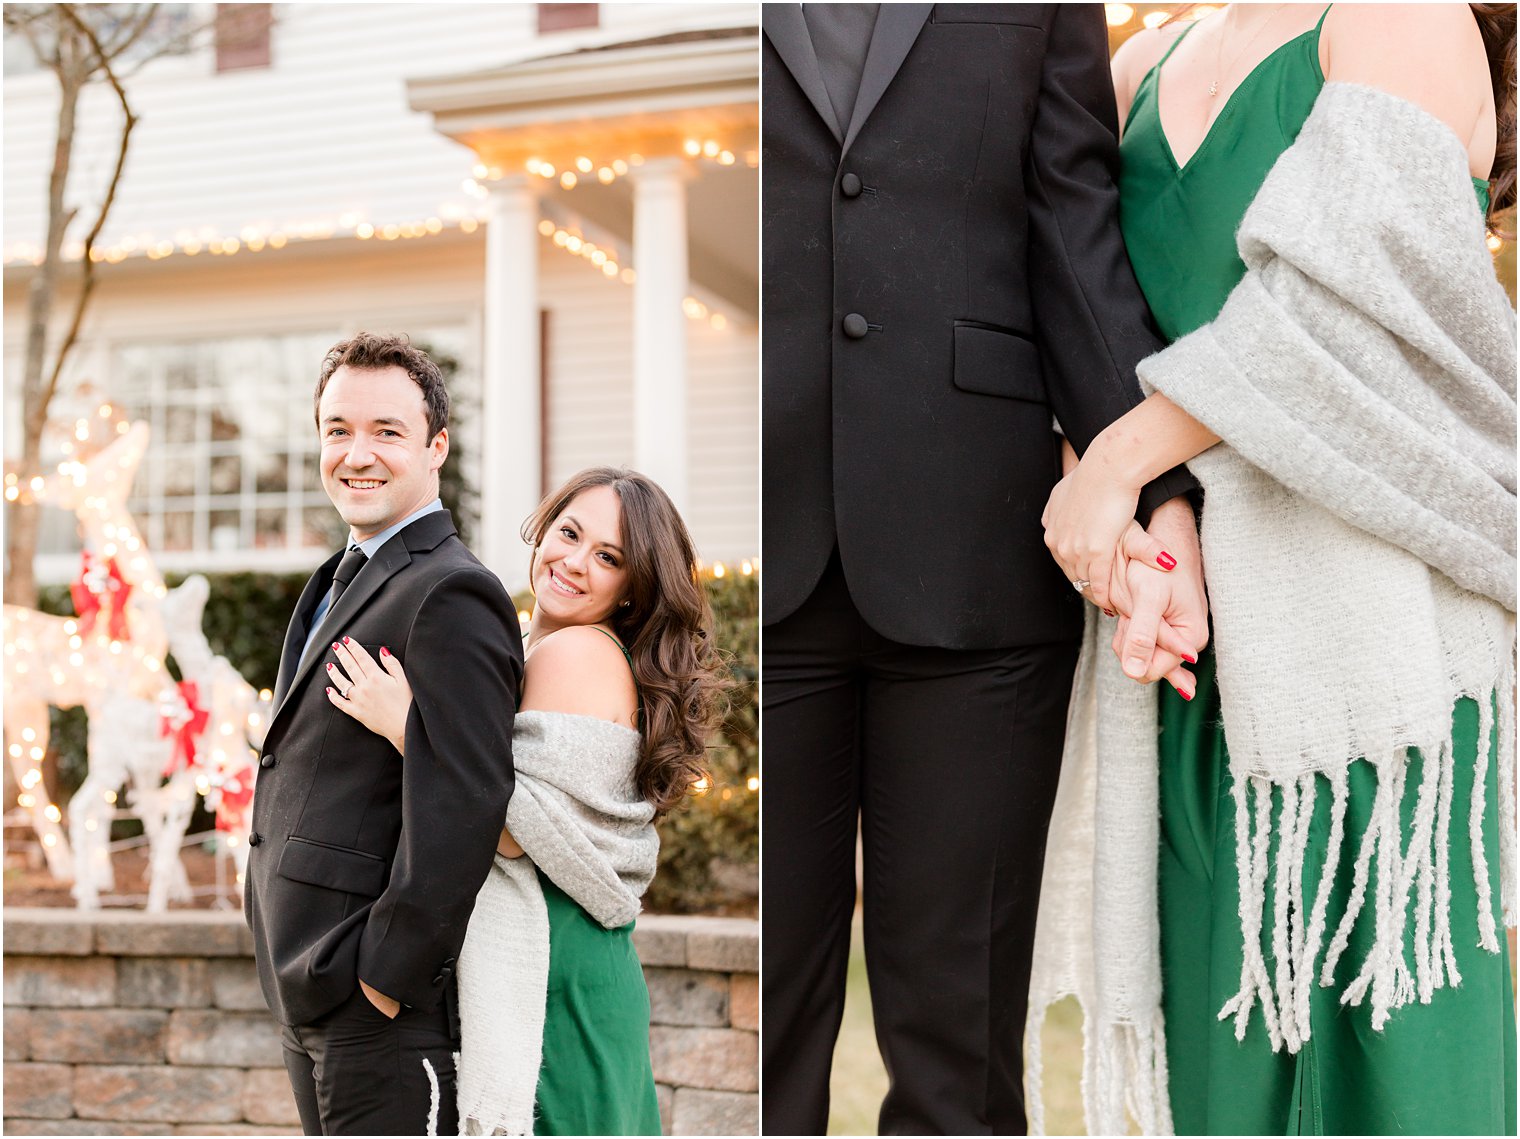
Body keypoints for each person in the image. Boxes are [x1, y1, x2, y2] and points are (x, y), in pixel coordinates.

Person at [1039, 4, 1516, 1133]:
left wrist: (1117, 461)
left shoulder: (1403, 18)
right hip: (1186, 646)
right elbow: (1072, 314)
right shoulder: (1133, 64)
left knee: (1398, 1063)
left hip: (1373, 642)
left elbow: (1335, 304)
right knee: (1221, 1067)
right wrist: (1151, 544)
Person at [760, 4, 1206, 1133]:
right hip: (762, 558)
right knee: (760, 1034)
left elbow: (1076, 240)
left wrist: (1153, 496)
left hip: (979, 554)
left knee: (958, 1042)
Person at [327, 466, 724, 1136]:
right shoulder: (530, 644)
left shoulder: (574, 653)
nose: (572, 561)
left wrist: (404, 727)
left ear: (633, 588)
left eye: (608, 557)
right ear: (543, 526)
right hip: (573, 966)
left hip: (555, 971)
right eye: (568, 533)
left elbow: (511, 829)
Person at [245, 333, 522, 1136]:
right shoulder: (342, 576)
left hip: (375, 1009)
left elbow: (471, 799)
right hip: (309, 987)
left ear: (437, 444)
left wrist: (384, 980)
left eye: (386, 431)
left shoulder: (452, 591)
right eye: (337, 429)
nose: (355, 454)